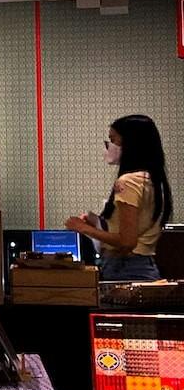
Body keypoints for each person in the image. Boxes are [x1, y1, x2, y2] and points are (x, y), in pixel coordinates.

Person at [67, 114, 173, 282]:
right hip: (143, 265)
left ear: (130, 142)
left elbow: (126, 241)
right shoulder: (152, 179)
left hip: (127, 268)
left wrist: (83, 228)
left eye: (113, 139)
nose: (109, 146)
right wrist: (97, 223)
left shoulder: (128, 182)